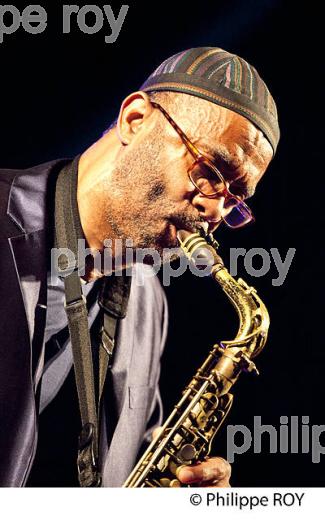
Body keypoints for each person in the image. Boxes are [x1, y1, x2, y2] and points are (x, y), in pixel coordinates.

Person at [0, 47, 279, 487]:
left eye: (234, 200)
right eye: (210, 170)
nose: (214, 210)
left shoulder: (149, 303)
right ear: (135, 119)